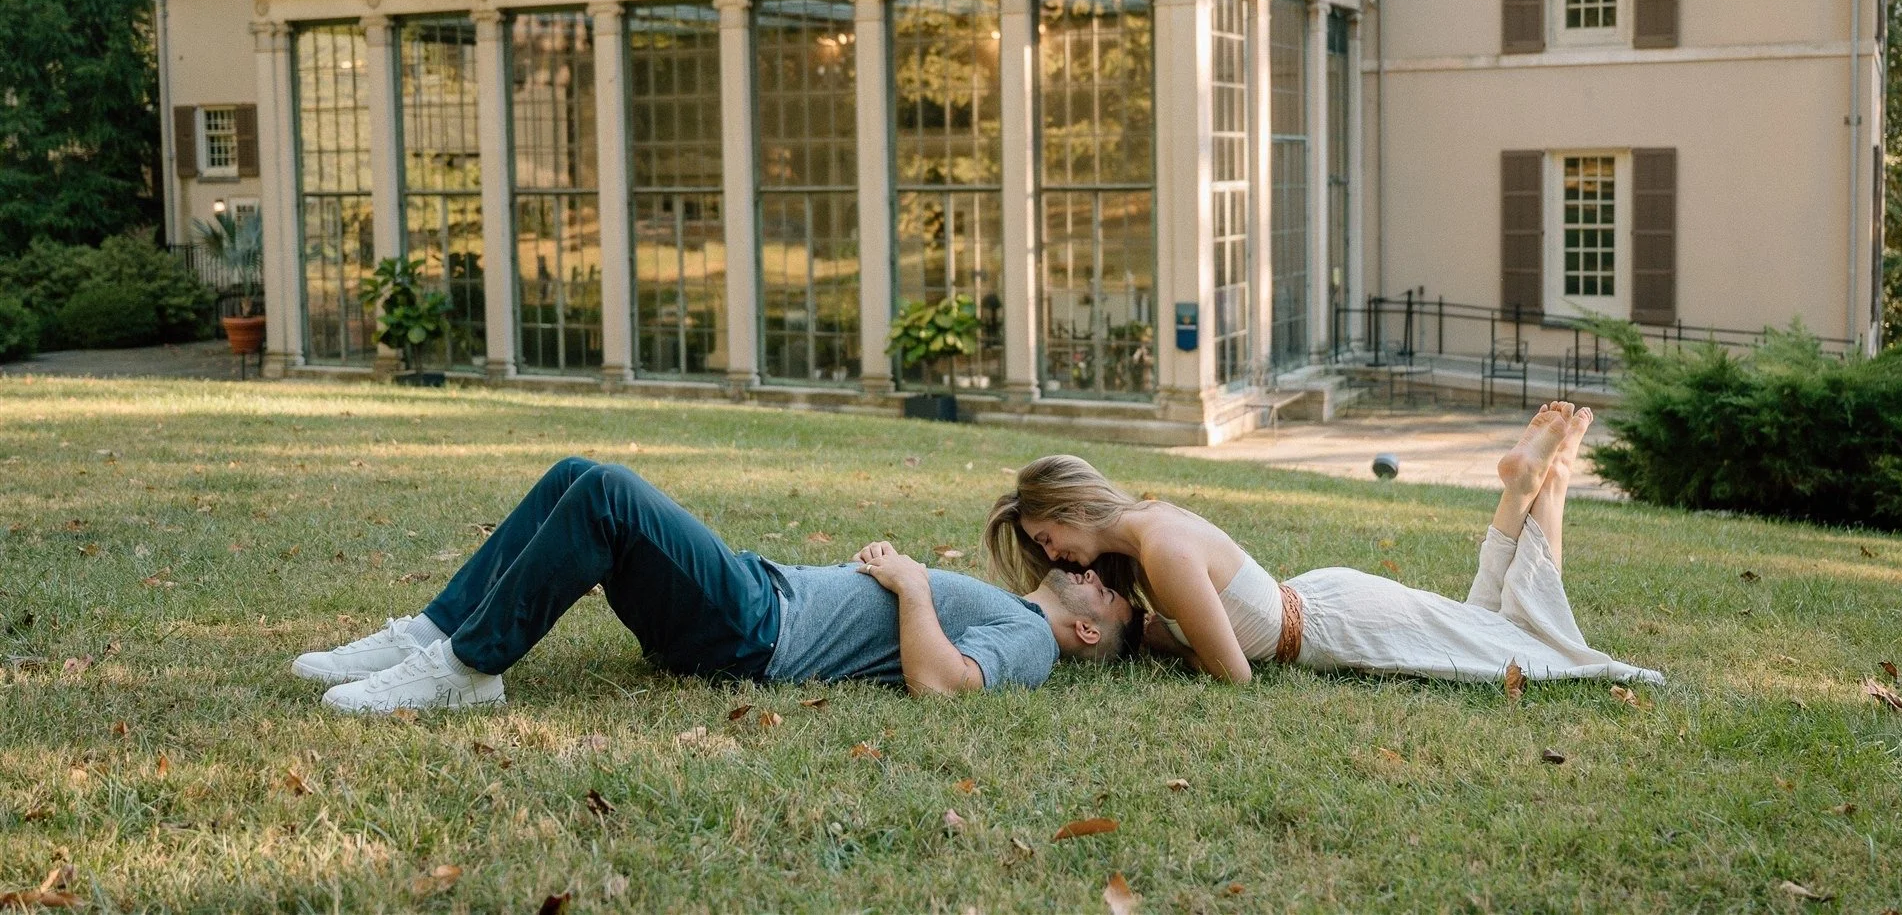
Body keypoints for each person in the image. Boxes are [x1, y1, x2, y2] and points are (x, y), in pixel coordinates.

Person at [293, 456, 1133, 714]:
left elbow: (944, 689)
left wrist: (912, 584)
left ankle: (467, 668)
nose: (1091, 576)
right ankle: (429, 635)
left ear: (1090, 631)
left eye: (1108, 592)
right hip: (755, 596)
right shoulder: (1021, 608)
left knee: (608, 494)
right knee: (575, 475)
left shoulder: (1032, 642)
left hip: (758, 632)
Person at [982, 402, 1663, 688]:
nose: (1060, 559)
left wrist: (1179, 657)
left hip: (1337, 622)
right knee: (1483, 628)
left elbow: (1235, 674)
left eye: (1050, 539)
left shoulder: (1160, 548)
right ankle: (1533, 490)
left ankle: (1546, 485)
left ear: (1072, 511)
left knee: (1519, 648)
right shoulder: (1150, 528)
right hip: (1325, 602)